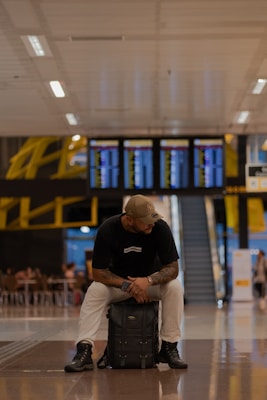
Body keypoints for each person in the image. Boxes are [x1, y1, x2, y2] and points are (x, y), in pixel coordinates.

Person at [64, 194, 188, 372]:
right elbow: (98, 273)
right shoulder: (108, 229)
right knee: (96, 290)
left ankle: (169, 347)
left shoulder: (160, 228)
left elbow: (173, 268)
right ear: (129, 219)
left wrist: (148, 281)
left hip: (149, 284)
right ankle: (84, 350)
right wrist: (128, 286)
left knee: (174, 287)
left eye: (152, 219)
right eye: (145, 221)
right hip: (119, 285)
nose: (151, 224)